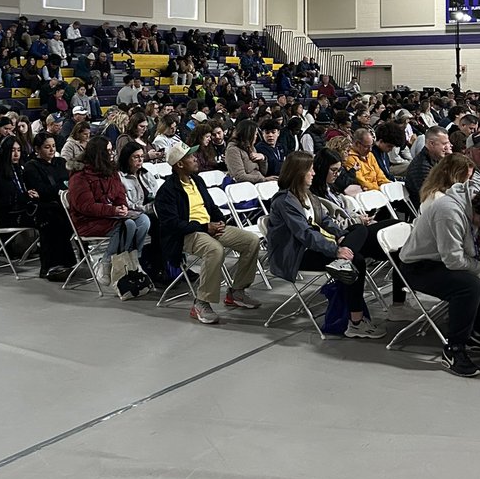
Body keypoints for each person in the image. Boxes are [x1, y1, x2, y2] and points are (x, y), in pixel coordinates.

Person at [400, 187, 480, 378]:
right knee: (469, 285)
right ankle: (454, 348)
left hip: (445, 260)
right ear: (479, 215)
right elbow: (453, 260)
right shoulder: (449, 212)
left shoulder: (479, 211)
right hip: (419, 266)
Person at [267, 151, 385, 339]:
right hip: (296, 255)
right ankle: (356, 322)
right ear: (298, 172)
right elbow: (305, 234)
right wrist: (336, 250)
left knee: (359, 230)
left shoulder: (308, 195)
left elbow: (326, 220)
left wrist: (341, 237)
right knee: (358, 261)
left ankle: (344, 265)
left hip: (316, 247)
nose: (314, 173)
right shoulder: (284, 201)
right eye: (310, 170)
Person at [154, 143, 261, 324]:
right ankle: (201, 302)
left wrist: (220, 220)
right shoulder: (167, 191)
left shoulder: (197, 181)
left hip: (209, 228)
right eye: (190, 157)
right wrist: (205, 227)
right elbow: (173, 225)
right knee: (214, 250)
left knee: (251, 240)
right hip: (186, 234)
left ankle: (237, 292)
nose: (195, 159)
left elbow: (211, 207)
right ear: (179, 164)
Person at [68, 136, 150, 293]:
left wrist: (122, 206)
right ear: (99, 153)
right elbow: (85, 206)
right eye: (108, 150)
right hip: (88, 221)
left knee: (143, 220)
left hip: (111, 216)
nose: (112, 153)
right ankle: (106, 262)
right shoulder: (79, 176)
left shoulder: (110, 171)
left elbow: (119, 194)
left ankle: (133, 259)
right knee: (128, 225)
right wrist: (113, 210)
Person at [23, 131, 73, 280]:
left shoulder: (60, 162)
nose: (52, 150)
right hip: (43, 207)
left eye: (53, 146)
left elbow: (69, 183)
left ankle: (68, 261)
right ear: (37, 149)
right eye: (47, 147)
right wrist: (60, 188)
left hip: (63, 203)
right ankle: (52, 265)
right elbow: (40, 190)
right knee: (54, 218)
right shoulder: (32, 166)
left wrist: (60, 188)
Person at [116, 142, 164, 282]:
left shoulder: (145, 174)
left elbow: (156, 192)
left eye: (142, 156)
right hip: (134, 213)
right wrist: (147, 208)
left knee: (171, 221)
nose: (140, 160)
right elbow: (126, 203)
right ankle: (157, 266)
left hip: (152, 209)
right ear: (127, 158)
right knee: (159, 225)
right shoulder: (120, 177)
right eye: (135, 157)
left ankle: (175, 264)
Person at [404, 126, 450, 210]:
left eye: (448, 143)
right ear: (431, 144)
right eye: (444, 144)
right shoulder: (421, 166)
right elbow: (430, 195)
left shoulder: (435, 159)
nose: (448, 147)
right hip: (426, 210)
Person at [343, 127, 389, 192]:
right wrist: (379, 189)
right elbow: (362, 183)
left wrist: (388, 186)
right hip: (367, 193)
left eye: (371, 146)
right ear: (357, 144)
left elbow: (380, 175)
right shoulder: (349, 158)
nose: (370, 149)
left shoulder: (370, 155)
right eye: (367, 146)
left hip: (379, 190)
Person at [224, 119, 268, 184]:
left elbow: (263, 172)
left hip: (258, 182)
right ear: (249, 135)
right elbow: (239, 177)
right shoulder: (233, 150)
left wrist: (263, 158)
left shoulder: (251, 147)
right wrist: (263, 179)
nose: (256, 137)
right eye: (255, 134)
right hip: (244, 186)